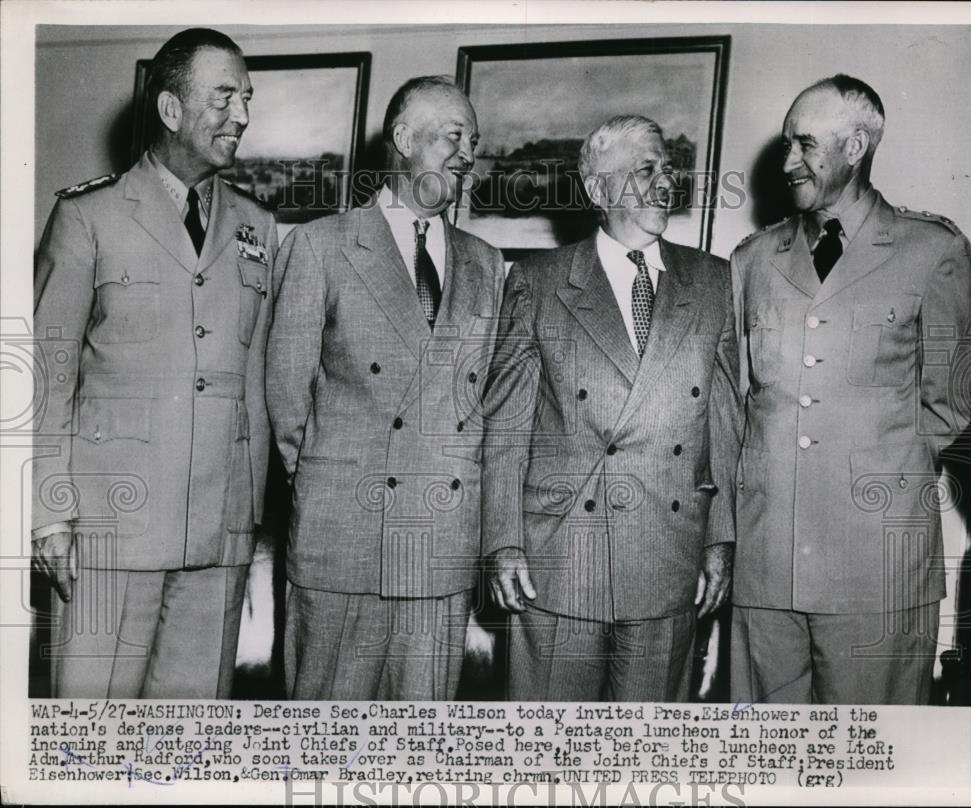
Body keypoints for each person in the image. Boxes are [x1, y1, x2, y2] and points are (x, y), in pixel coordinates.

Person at [31, 28, 277, 698]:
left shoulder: (260, 226)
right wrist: (49, 513)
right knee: (91, 738)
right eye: (224, 96)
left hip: (220, 526)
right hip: (110, 524)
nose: (243, 115)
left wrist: (251, 515)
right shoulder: (89, 215)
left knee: (189, 743)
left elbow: (257, 378)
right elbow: (44, 375)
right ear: (171, 109)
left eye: (247, 98)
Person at [729, 74, 971, 704]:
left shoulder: (931, 251)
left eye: (805, 144)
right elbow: (739, 398)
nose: (788, 162)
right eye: (786, 143)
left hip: (876, 566)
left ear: (857, 145)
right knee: (766, 764)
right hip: (768, 562)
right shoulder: (753, 260)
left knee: (875, 763)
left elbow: (946, 404)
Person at [480, 115, 741, 701]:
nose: (665, 183)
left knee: (649, 759)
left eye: (668, 169)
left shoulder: (715, 281)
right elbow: (505, 428)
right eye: (645, 170)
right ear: (598, 192)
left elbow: (723, 426)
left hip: (669, 558)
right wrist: (502, 541)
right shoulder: (538, 281)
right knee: (546, 756)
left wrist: (719, 541)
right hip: (559, 558)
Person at [267, 75, 505, 700]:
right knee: (323, 742)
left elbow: (482, 405)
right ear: (403, 140)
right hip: (344, 541)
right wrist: (337, 482)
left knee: (420, 751)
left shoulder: (486, 262)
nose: (467, 155)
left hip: (443, 550)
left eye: (473, 141)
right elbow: (286, 403)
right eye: (454, 136)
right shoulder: (320, 246)